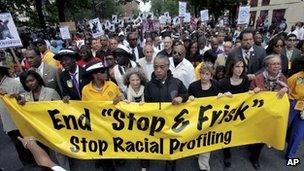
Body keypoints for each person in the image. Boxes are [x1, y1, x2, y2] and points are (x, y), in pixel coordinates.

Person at [17, 70, 70, 170]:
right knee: (44, 155)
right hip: (38, 131)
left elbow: (62, 111)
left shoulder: (51, 92)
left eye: (31, 80)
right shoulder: (26, 97)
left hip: (54, 128)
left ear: (37, 79)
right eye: (26, 82)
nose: (30, 84)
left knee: (59, 154)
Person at [144, 54, 188, 171]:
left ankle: (170, 165)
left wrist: (181, 98)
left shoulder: (177, 82)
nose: (158, 70)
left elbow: (185, 94)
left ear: (168, 67)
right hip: (156, 124)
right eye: (156, 67)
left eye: (162, 67)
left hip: (172, 123)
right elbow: (147, 106)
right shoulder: (148, 86)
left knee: (171, 148)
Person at [249, 54, 289, 170]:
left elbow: (288, 95)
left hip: (273, 114)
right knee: (257, 136)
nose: (276, 66)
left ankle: (254, 156)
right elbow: (250, 93)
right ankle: (253, 155)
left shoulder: (283, 79)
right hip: (260, 113)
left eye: (278, 64)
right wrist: (254, 91)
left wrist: (285, 89)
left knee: (264, 137)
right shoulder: (259, 78)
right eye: (273, 64)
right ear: (267, 66)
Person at [218, 57, 250, 168]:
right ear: (231, 68)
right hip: (227, 114)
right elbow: (217, 99)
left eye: (242, 67)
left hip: (241, 112)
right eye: (237, 66)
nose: (240, 69)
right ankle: (227, 154)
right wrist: (222, 95)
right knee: (227, 134)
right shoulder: (223, 82)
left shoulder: (246, 80)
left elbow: (247, 96)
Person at [188, 62, 220, 171]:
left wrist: (223, 96)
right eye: (202, 73)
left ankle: (204, 167)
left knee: (206, 143)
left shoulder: (216, 85)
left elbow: (222, 103)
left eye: (207, 74)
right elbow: (187, 103)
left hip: (210, 120)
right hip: (196, 120)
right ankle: (197, 152)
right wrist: (190, 98)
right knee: (197, 140)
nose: (204, 76)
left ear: (211, 75)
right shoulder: (193, 86)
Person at [0, 63, 34, 166]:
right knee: (19, 147)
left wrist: (18, 97)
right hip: (8, 124)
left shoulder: (14, 83)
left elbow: (27, 98)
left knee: (26, 146)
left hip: (18, 122)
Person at [285, 57, 304, 159]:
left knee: (299, 133)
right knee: (282, 125)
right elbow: (285, 88)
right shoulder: (298, 77)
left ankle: (290, 155)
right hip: (292, 104)